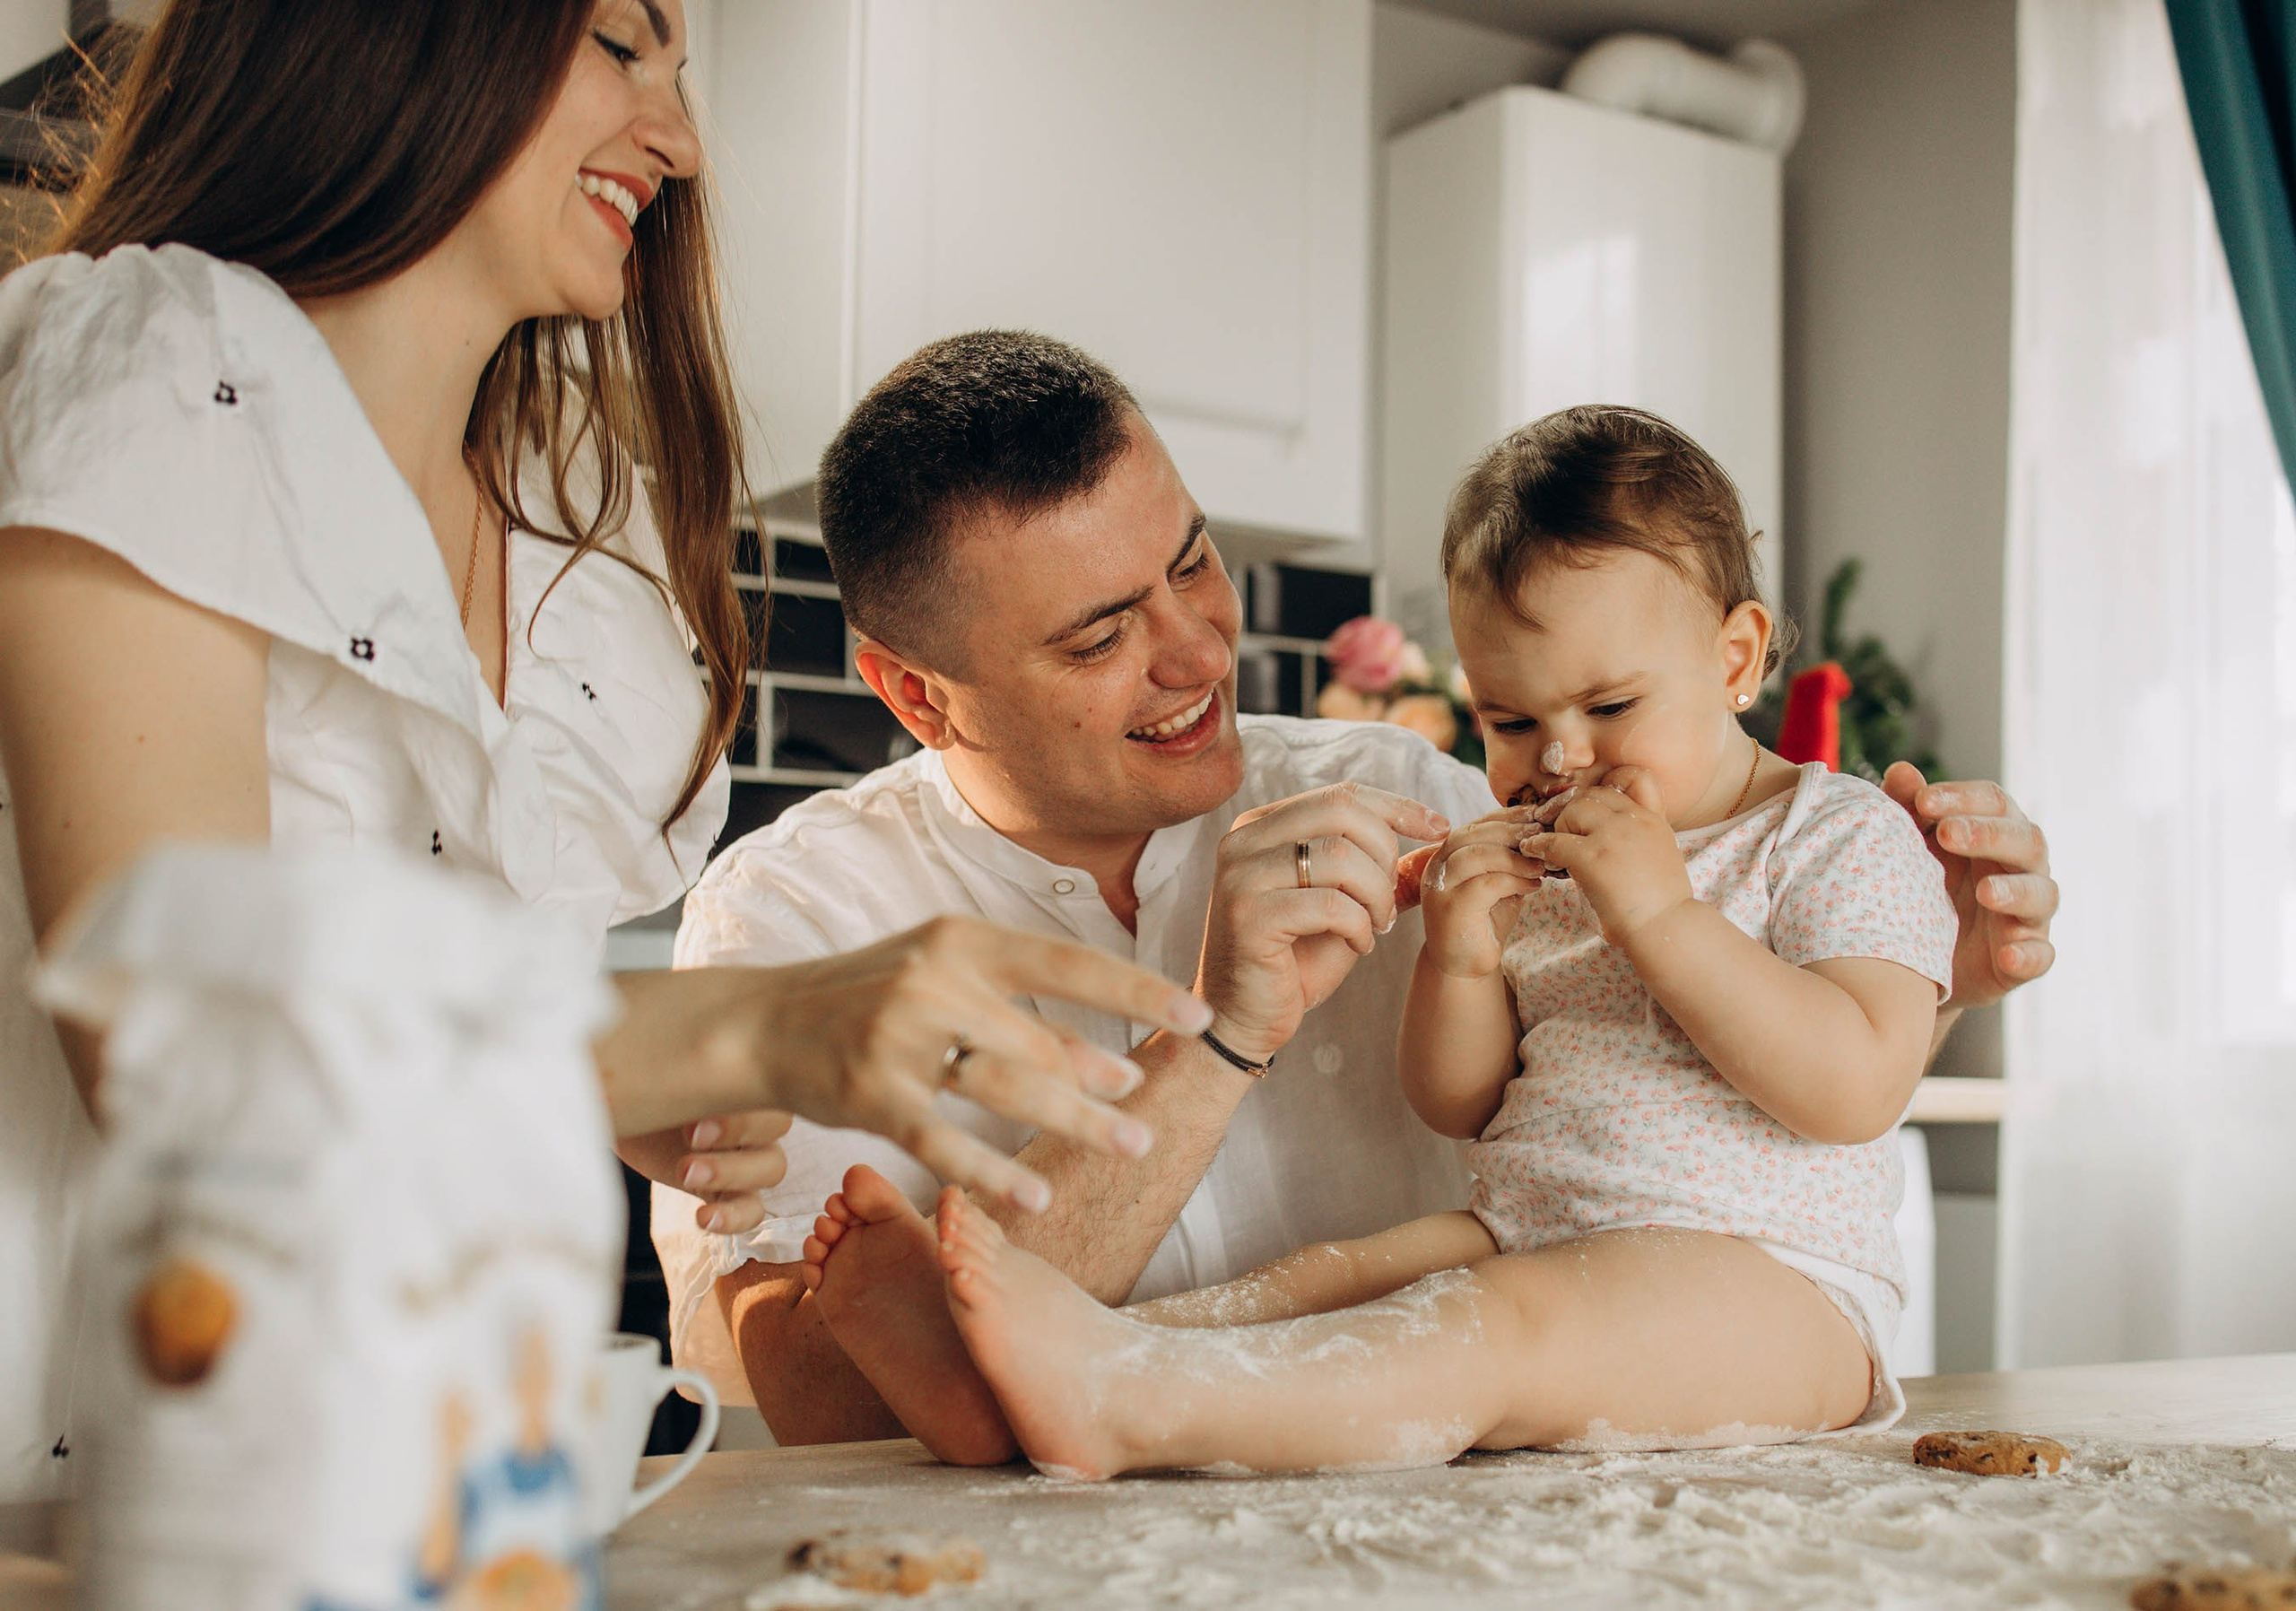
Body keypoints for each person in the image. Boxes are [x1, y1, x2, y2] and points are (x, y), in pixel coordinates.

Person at [0, 0, 1205, 1504]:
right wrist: (736, 1030)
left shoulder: (573, 507)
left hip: (413, 1476)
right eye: (625, 46)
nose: (680, 139)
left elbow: (414, 1010)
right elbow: (168, 1032)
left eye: (683, 72)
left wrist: (594, 1076)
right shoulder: (145, 353)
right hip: (85, 1483)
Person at [658, 337, 2061, 1461]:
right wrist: (1218, 1030)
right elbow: (819, 1418)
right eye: (1101, 634)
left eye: (1193, 561)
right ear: (912, 691)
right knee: (1332, 1286)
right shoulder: (791, 922)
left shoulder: (1413, 792)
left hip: (1580, 1439)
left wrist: (1927, 973)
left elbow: (1761, 1081)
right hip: (1125, 1526)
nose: (1200, 647)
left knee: (1468, 1319)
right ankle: (1062, 1386)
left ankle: (1131, 1394)